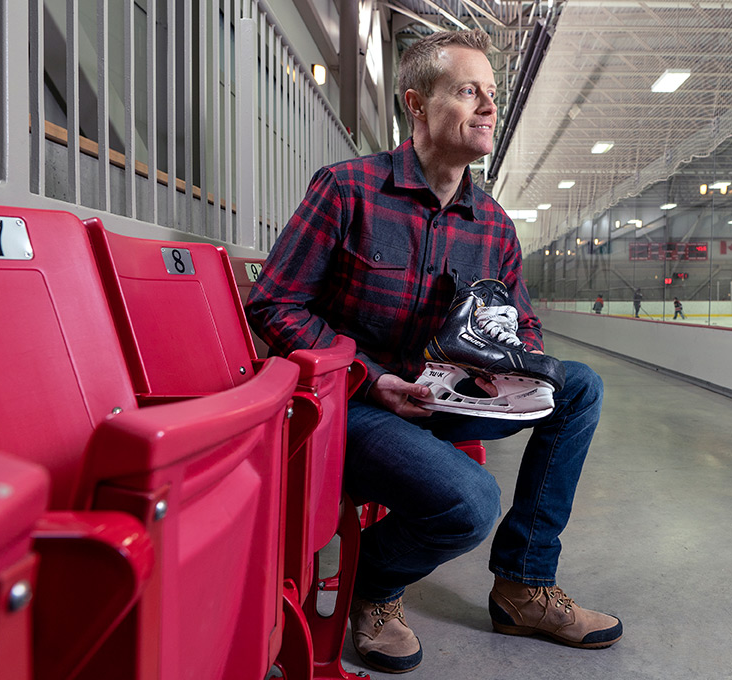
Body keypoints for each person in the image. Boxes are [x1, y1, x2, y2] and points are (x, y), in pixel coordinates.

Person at [246, 29, 621, 675]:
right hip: (357, 405)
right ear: (416, 104)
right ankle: (377, 586)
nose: (488, 108)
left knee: (578, 386)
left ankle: (523, 586)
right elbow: (274, 305)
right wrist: (371, 378)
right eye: (468, 91)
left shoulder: (495, 223)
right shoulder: (347, 190)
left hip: (444, 396)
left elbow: (520, 324)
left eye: (492, 95)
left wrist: (509, 368)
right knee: (469, 503)